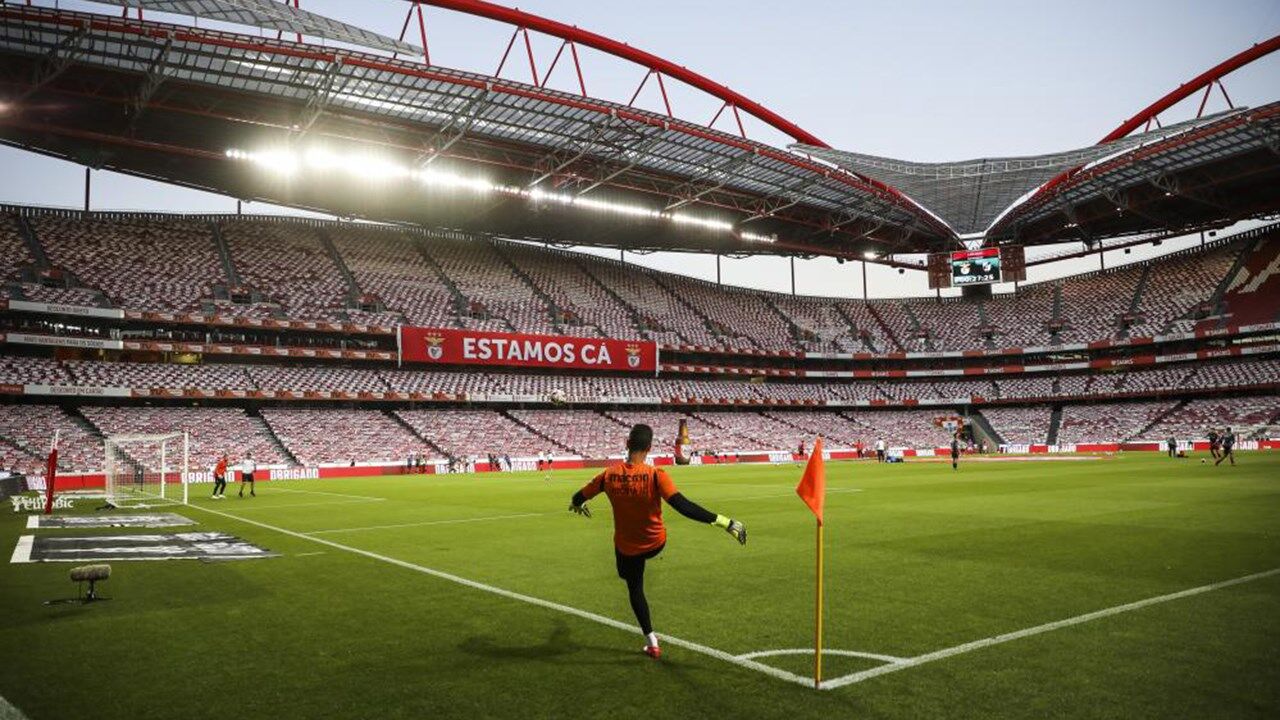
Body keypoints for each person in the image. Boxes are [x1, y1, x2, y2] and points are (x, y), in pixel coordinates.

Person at [568, 424, 746, 659]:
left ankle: (652, 641)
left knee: (633, 585)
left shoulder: (608, 476)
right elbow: (684, 506)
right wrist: (726, 522)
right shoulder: (656, 475)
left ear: (626, 444)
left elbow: (577, 497)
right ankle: (650, 637)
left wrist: (579, 505)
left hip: (627, 547)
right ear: (649, 449)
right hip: (656, 542)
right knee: (634, 570)